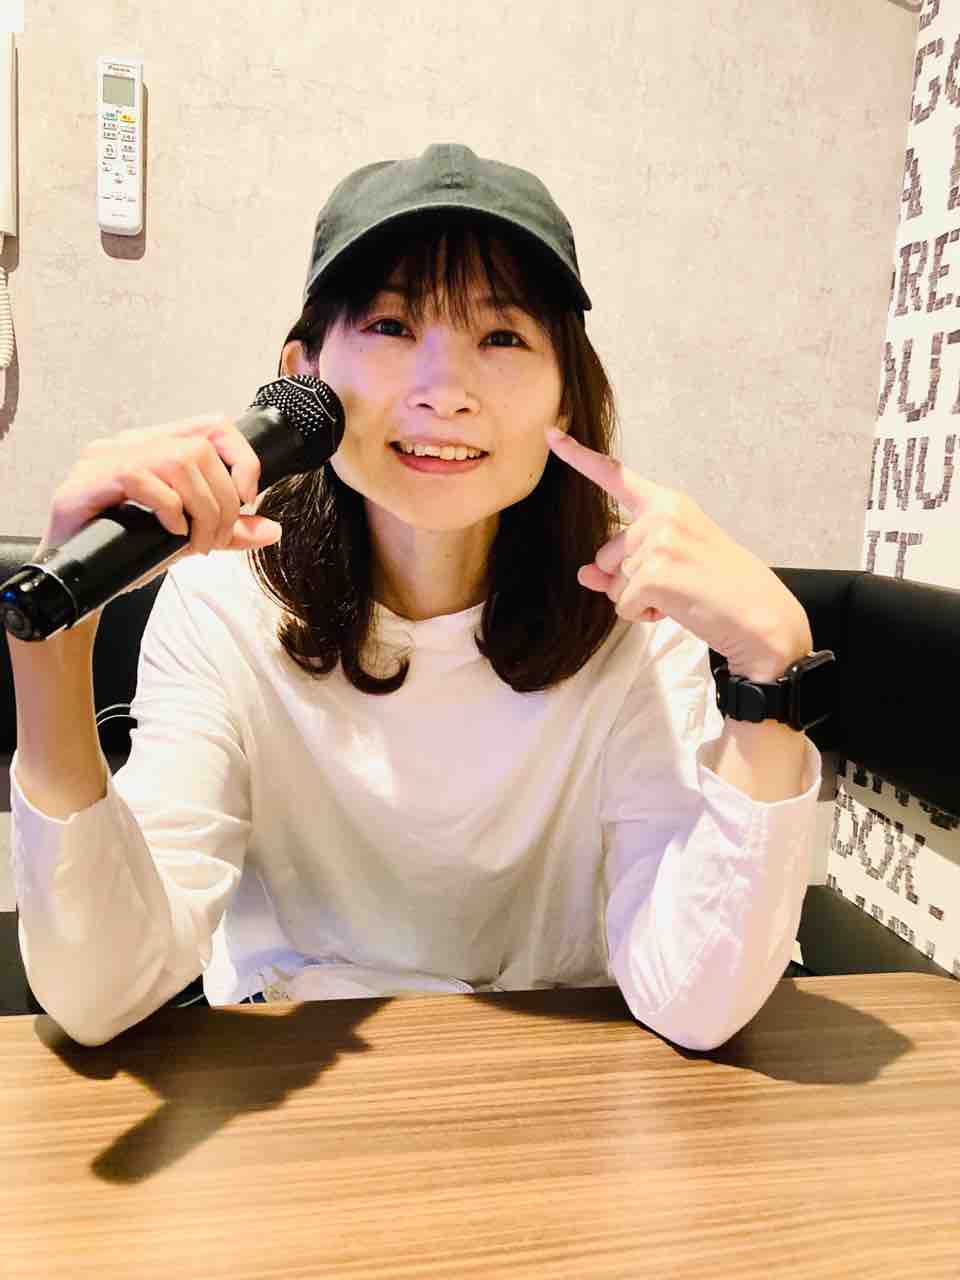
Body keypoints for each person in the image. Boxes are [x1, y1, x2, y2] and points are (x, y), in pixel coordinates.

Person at [7, 144, 821, 1048]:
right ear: (303, 376)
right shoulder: (223, 605)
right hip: (299, 1066)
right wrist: (53, 651)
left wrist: (770, 675)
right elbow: (101, 993)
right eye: (392, 326)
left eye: (502, 337)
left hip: (557, 1073)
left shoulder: (632, 615)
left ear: (567, 394)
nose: (445, 393)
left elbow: (691, 1001)